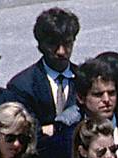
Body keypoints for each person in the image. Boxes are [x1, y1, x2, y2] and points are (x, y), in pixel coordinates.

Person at [5, 7, 79, 136]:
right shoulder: (22, 86)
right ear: (40, 45)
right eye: (53, 44)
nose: (61, 52)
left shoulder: (85, 78)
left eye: (67, 43)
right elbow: (25, 132)